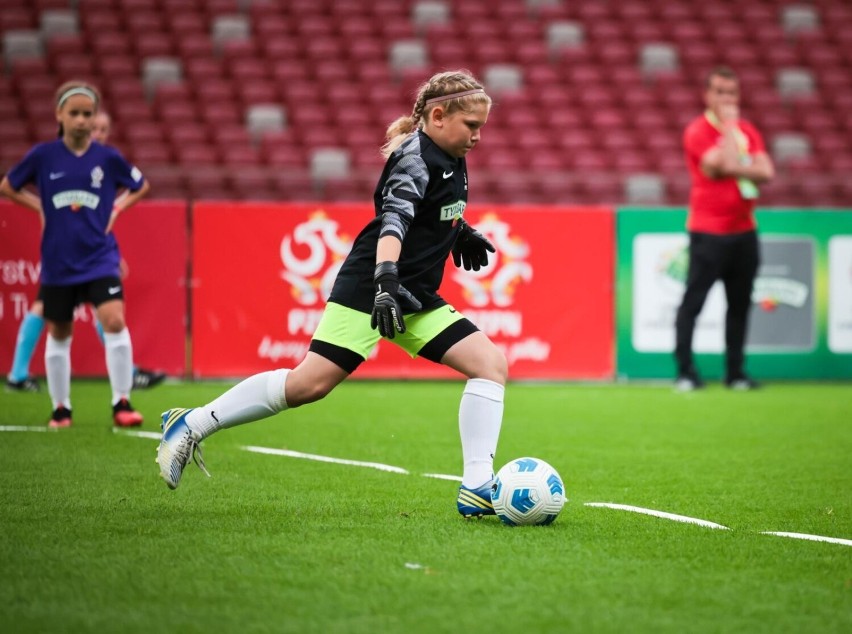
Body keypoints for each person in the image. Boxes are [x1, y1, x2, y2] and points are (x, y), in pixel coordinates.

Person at [157, 70, 506, 518]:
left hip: (413, 294)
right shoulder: (415, 157)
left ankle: (477, 486)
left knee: (490, 364)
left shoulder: (451, 152)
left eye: (481, 127)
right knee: (308, 385)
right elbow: (394, 220)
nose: (477, 136)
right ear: (437, 116)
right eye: (471, 126)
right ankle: (192, 423)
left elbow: (430, 211)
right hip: (372, 288)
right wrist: (383, 282)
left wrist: (461, 233)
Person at [0, 80, 151, 427]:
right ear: (60, 115)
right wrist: (38, 206)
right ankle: (61, 409)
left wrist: (116, 210)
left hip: (100, 258)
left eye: (88, 114)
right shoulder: (43, 156)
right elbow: (8, 185)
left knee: (114, 320)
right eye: (75, 113)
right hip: (59, 261)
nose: (82, 120)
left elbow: (140, 185)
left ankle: (122, 402)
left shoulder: (108, 158)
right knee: (60, 332)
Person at [674, 66, 775, 391]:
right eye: (720, 92)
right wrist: (731, 129)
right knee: (694, 302)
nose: (727, 99)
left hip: (744, 229)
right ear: (707, 95)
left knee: (740, 304)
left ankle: (735, 372)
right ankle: (686, 371)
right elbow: (727, 165)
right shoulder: (698, 131)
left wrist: (743, 161)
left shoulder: (750, 129)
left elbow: (767, 172)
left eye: (732, 93)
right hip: (708, 231)